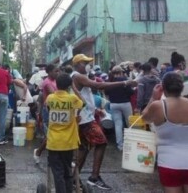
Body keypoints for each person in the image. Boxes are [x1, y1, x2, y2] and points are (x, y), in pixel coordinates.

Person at [72, 54, 136, 190]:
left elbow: (84, 97)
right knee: (101, 142)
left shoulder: (78, 76)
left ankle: (74, 178)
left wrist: (95, 109)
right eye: (85, 63)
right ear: (77, 64)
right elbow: (98, 85)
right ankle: (94, 177)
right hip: (85, 120)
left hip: (84, 117)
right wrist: (124, 82)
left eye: (88, 63)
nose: (87, 65)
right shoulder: (77, 76)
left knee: (83, 149)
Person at [142, 72, 188, 193]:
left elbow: (144, 118)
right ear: (182, 87)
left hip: (169, 163)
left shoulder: (158, 106)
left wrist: (153, 97)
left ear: (162, 87)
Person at [46, 73, 83, 193]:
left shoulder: (50, 98)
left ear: (56, 84)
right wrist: (74, 88)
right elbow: (84, 103)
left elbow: (49, 109)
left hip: (54, 142)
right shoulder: (72, 99)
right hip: (68, 142)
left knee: (57, 172)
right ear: (69, 86)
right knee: (67, 171)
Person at [104, 66, 134, 151]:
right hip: (125, 103)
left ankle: (120, 145)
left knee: (118, 124)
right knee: (129, 124)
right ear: (121, 72)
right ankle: (130, 143)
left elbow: (106, 93)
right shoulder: (124, 80)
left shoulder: (109, 81)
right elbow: (130, 92)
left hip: (114, 104)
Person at [33, 64, 59, 163]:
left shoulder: (55, 81)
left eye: (58, 71)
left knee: (56, 134)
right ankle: (38, 152)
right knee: (50, 135)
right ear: (49, 72)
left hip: (56, 109)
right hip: (48, 110)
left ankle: (57, 157)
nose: (57, 73)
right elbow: (55, 95)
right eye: (55, 71)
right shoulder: (47, 82)